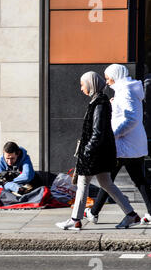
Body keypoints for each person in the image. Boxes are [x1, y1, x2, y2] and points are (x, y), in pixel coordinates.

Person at [56, 71, 141, 231]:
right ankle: (131, 215)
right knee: (106, 184)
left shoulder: (99, 104)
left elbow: (98, 132)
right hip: (100, 152)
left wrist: (86, 152)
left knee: (83, 183)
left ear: (91, 84)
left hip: (95, 153)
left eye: (83, 85)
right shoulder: (98, 101)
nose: (81, 89)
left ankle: (75, 220)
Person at [84, 64, 151, 225]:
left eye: (108, 78)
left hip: (123, 144)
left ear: (116, 75)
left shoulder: (125, 91)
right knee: (137, 179)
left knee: (107, 180)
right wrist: (114, 104)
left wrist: (113, 135)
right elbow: (127, 114)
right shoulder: (126, 90)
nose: (106, 82)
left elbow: (131, 119)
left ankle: (94, 212)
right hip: (132, 144)